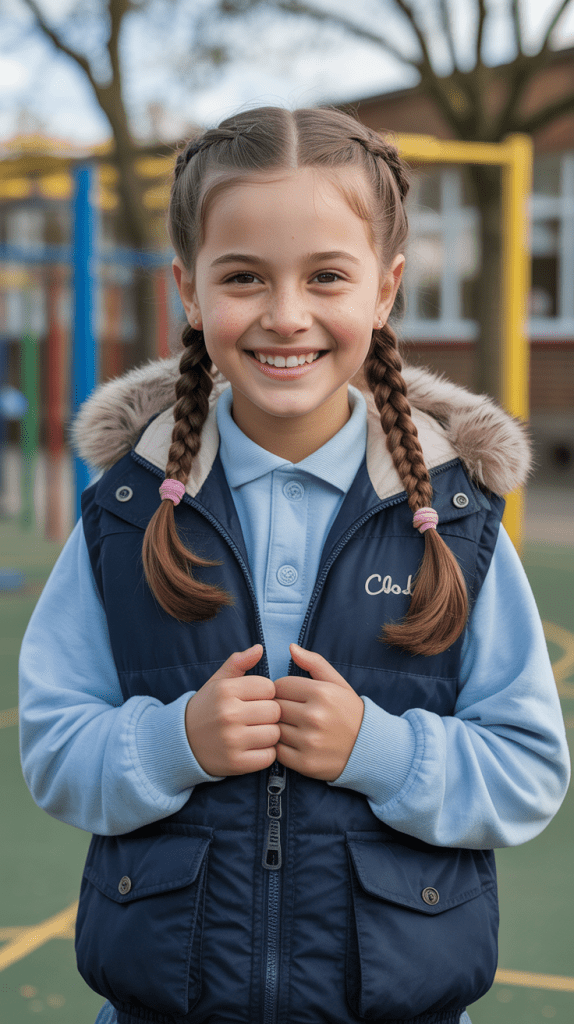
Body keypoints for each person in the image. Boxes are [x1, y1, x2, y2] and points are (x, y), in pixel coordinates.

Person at [19, 106, 569, 1024]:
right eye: (243, 277)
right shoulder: (126, 513)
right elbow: (52, 746)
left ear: (386, 289)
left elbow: (526, 771)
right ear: (188, 293)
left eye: (326, 276)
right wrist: (175, 742)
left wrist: (378, 749)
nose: (286, 314)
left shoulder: (455, 520)